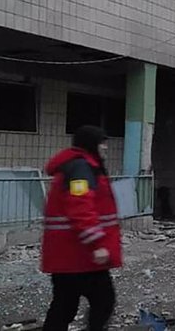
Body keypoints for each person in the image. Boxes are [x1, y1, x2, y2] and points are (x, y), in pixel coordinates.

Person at [41, 125, 122, 331]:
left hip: (70, 255)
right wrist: (97, 243)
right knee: (103, 301)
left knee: (65, 305)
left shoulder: (81, 166)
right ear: (91, 144)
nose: (105, 147)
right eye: (101, 143)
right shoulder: (80, 169)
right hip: (79, 255)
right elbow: (80, 205)